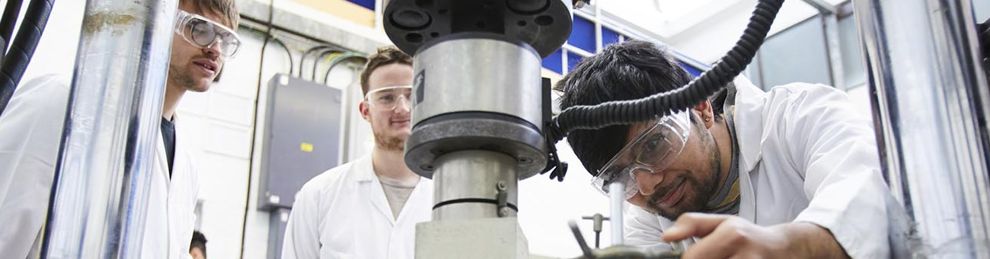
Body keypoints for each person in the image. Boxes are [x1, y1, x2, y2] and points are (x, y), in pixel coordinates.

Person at [558, 40, 892, 258]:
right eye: (620, 177)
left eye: (654, 144)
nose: (647, 186)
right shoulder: (647, 221)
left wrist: (788, 246)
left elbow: (868, 201)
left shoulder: (800, 116)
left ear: (701, 107)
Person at [0, 1, 240, 258]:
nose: (214, 49)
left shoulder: (187, 168)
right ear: (156, 19)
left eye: (225, 39)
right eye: (200, 29)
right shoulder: (64, 103)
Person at [281, 46, 433, 259]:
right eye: (387, 97)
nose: (402, 108)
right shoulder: (319, 195)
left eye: (411, 95)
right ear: (365, 110)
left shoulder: (449, 198)